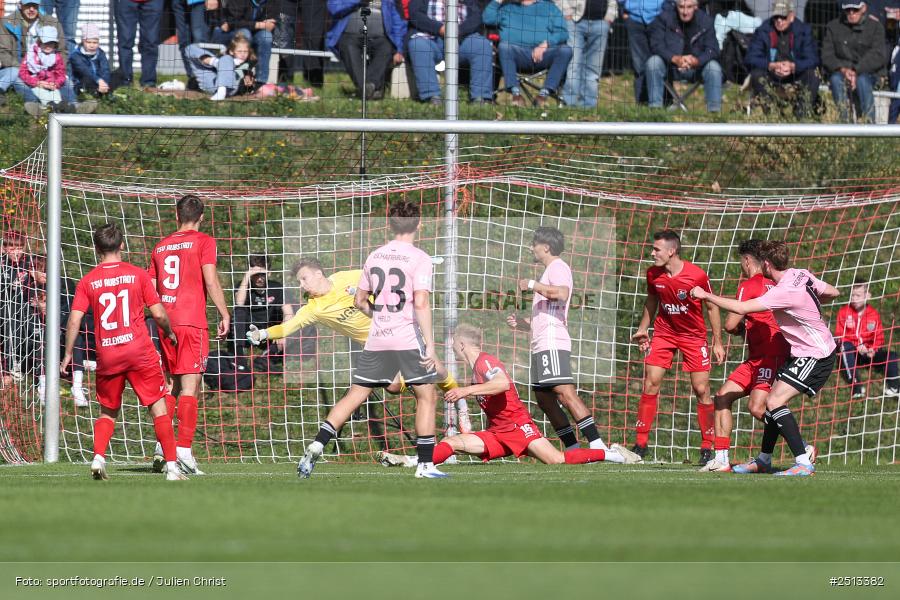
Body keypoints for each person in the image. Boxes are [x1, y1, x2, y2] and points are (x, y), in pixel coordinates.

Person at [295, 201, 448, 479]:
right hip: (406, 338)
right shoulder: (420, 257)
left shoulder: (375, 256)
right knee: (426, 395)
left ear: (390, 225)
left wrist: (378, 315)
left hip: (378, 338)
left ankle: (317, 443)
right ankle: (425, 465)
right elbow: (422, 302)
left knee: (355, 394)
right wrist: (431, 346)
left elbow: (360, 301)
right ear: (419, 225)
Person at [379, 324, 642, 467]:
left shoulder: (484, 361)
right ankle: (415, 460)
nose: (453, 350)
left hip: (518, 426)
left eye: (454, 345)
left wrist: (466, 391)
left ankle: (613, 455)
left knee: (557, 460)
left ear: (462, 344)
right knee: (457, 442)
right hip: (498, 431)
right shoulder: (475, 368)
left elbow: (503, 383)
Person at [692, 240, 840, 477]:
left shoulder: (783, 292)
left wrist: (704, 294)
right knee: (770, 401)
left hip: (816, 353)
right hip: (806, 350)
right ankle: (764, 459)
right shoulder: (799, 274)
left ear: (767, 264)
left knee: (772, 403)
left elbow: (740, 309)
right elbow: (833, 291)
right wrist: (808, 309)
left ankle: (803, 460)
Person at [60, 223, 186, 481]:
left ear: (96, 248)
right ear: (122, 245)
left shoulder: (88, 281)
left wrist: (68, 354)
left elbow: (74, 321)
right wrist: (170, 332)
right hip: (139, 351)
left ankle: (98, 458)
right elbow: (159, 313)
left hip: (107, 353)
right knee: (158, 407)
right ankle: (172, 467)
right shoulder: (138, 274)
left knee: (108, 411)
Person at [506, 226, 612, 453]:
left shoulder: (558, 266)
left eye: (534, 244)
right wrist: (524, 323)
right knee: (544, 399)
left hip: (552, 342)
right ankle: (573, 448)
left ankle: (597, 444)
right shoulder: (548, 271)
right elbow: (550, 312)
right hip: (542, 342)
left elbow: (562, 293)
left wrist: (532, 284)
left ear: (546, 247)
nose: (531, 248)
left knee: (564, 392)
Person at [148, 195, 230, 475]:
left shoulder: (160, 246)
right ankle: (183, 449)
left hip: (165, 321)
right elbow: (210, 279)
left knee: (170, 384)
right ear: (202, 217)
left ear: (177, 215)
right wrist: (224, 313)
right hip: (191, 321)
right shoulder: (204, 241)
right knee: (190, 385)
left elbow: (151, 285)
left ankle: (162, 447)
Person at [630, 229, 724, 464]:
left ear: (671, 251)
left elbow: (712, 307)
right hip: (664, 333)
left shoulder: (697, 275)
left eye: (656, 249)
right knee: (651, 381)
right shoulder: (653, 274)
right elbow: (652, 300)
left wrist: (717, 342)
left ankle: (707, 446)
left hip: (694, 337)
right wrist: (644, 328)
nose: (652, 253)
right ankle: (640, 444)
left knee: (701, 389)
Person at [699, 240, 791, 472]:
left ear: (748, 261)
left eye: (741, 261)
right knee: (722, 397)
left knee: (758, 407)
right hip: (762, 356)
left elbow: (731, 323)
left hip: (768, 356)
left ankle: (803, 447)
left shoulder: (749, 284)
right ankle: (721, 459)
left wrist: (738, 328)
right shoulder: (775, 283)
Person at [483, 0, 573, 106]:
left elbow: (562, 32)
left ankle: (543, 95)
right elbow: (487, 19)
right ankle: (516, 95)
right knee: (504, 46)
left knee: (566, 50)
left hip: (544, 55)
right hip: (515, 56)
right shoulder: (507, 8)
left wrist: (546, 44)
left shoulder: (550, 8)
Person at [407, 0, 494, 105]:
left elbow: (477, 16)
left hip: (462, 38)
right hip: (430, 37)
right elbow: (415, 14)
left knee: (482, 46)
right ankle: (431, 97)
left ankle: (480, 98)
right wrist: (440, 28)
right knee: (418, 45)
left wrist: (459, 30)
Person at [744, 0, 820, 118]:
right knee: (756, 75)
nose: (779, 20)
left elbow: (813, 59)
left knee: (813, 75)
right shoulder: (763, 30)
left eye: (783, 17)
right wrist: (770, 65)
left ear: (791, 16)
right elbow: (750, 58)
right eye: (776, 17)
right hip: (772, 75)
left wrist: (794, 66)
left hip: (796, 74)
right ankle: (772, 114)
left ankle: (801, 114)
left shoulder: (804, 31)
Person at [646, 0, 723, 112]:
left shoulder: (706, 21)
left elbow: (713, 49)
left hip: (697, 68)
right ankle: (655, 110)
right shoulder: (663, 19)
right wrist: (674, 58)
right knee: (653, 62)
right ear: (676, 6)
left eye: (689, 7)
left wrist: (697, 61)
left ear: (696, 7)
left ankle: (714, 112)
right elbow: (656, 45)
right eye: (681, 7)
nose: (685, 11)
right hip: (670, 66)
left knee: (714, 67)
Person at [326, 0, 407, 99]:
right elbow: (333, 7)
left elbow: (398, 20)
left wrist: (399, 49)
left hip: (381, 37)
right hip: (350, 35)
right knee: (348, 47)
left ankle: (368, 86)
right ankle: (371, 89)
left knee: (387, 48)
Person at [822, 0, 887, 122]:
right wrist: (844, 70)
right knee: (835, 79)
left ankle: (869, 125)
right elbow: (827, 55)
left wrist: (856, 71)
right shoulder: (833, 27)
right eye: (848, 10)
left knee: (862, 80)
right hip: (841, 72)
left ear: (863, 8)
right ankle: (844, 123)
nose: (851, 13)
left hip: (870, 73)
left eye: (855, 9)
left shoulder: (876, 27)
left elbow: (878, 56)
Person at [835, 279, 900, 398]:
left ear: (868, 296)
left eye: (858, 295)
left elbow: (879, 336)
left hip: (869, 353)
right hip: (853, 353)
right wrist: (857, 345)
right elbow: (840, 336)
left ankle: (894, 387)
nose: (854, 298)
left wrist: (873, 349)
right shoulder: (844, 312)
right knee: (845, 347)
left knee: (892, 356)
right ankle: (856, 387)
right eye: (852, 295)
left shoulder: (873, 314)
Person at [0, 1, 70, 104]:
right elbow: (3, 52)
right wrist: (24, 71)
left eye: (35, 6)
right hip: (19, 68)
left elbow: (62, 50)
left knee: (67, 81)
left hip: (48, 70)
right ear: (20, 5)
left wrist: (54, 73)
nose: (32, 9)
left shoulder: (52, 22)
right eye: (28, 5)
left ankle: (73, 106)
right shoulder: (6, 22)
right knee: (17, 78)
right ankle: (35, 104)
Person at [557, 0, 617, 108]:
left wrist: (610, 16)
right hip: (574, 20)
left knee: (593, 68)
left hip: (601, 22)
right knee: (573, 64)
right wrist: (566, 11)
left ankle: (588, 106)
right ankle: (569, 105)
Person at [233, 253, 292, 358]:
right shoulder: (243, 286)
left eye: (262, 274)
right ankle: (239, 353)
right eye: (256, 275)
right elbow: (239, 303)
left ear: (268, 273)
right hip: (248, 328)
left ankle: (270, 355)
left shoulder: (277, 287)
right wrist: (247, 276)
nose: (259, 279)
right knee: (239, 311)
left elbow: (289, 313)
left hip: (269, 329)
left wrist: (282, 331)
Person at [209, 0, 278, 84]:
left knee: (266, 37)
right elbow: (232, 22)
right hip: (229, 32)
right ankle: (239, 77)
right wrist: (260, 25)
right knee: (245, 34)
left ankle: (261, 82)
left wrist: (267, 25)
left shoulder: (272, 2)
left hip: (255, 32)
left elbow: (271, 23)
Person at [0, 230, 35, 381]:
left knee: (30, 329)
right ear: (5, 248)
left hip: (26, 307)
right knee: (11, 323)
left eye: (19, 247)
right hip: (4, 307)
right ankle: (8, 370)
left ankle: (29, 365)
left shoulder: (28, 263)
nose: (16, 252)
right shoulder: (2, 263)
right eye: (12, 248)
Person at [619, 0, 669, 104]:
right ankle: (642, 104)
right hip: (634, 18)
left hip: (659, 18)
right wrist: (622, 8)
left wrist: (667, 10)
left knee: (661, 62)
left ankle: (665, 102)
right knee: (639, 66)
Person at [186, 32, 257, 100]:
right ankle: (216, 63)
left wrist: (248, 82)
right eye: (239, 51)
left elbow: (248, 80)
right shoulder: (225, 56)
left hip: (230, 87)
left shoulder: (248, 64)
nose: (243, 54)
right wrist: (218, 62)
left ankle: (221, 91)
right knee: (189, 48)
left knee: (227, 58)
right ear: (232, 52)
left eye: (245, 51)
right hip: (212, 82)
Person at [115, 0, 165, 89]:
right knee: (125, 41)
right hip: (126, 2)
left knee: (151, 42)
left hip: (153, 2)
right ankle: (125, 81)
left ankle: (148, 82)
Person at [172, 0, 211, 85]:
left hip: (198, 2)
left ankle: (205, 78)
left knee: (199, 38)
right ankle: (192, 78)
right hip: (178, 3)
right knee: (183, 40)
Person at [68, 23, 113, 97]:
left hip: (100, 81)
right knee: (86, 79)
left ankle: (103, 90)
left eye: (95, 42)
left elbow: (105, 69)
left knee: (118, 74)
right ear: (83, 41)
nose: (92, 45)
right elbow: (85, 71)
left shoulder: (100, 53)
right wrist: (99, 80)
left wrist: (104, 82)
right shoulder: (75, 55)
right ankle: (95, 93)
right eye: (88, 42)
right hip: (83, 82)